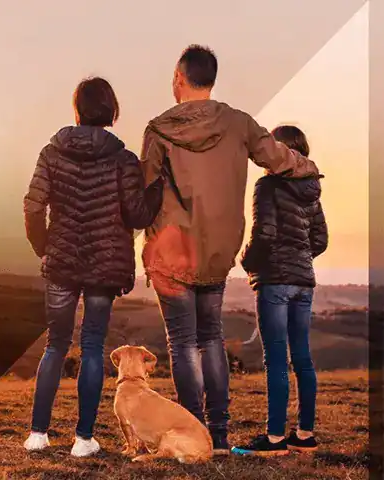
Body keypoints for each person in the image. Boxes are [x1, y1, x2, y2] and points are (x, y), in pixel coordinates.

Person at [139, 45, 320, 454]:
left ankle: (194, 432)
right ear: (212, 79)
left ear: (179, 78)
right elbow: (278, 158)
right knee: (210, 338)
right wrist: (309, 168)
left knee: (183, 343)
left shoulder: (159, 130)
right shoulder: (239, 124)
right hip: (219, 252)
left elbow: (143, 193)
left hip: (172, 253)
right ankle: (219, 436)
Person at [22, 77, 163, 457]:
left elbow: (33, 206)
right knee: (93, 347)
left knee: (55, 344)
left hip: (62, 264)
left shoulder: (51, 153)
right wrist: (156, 188)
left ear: (77, 110)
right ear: (111, 110)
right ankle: (83, 440)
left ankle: (37, 435)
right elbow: (137, 215)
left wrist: (45, 247)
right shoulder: (123, 159)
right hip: (104, 266)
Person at [233, 126, 327, 456]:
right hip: (304, 282)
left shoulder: (268, 185)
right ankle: (305, 435)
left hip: (274, 280)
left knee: (276, 359)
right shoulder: (311, 188)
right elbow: (320, 240)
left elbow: (265, 234)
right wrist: (299, 259)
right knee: (302, 358)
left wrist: (246, 262)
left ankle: (274, 439)